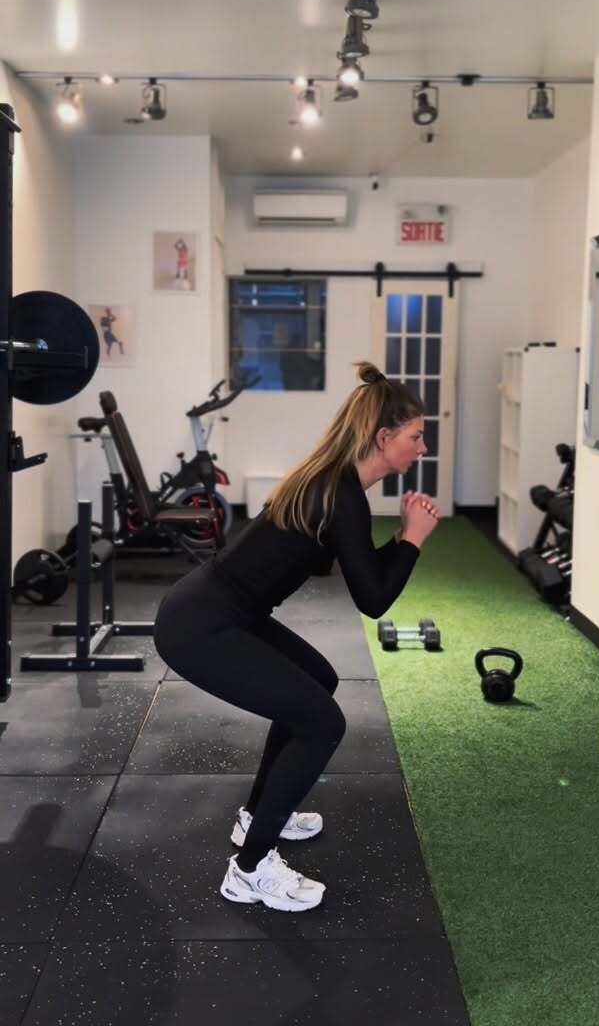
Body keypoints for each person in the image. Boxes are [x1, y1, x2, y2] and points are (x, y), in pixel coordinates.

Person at [153, 361, 440, 913]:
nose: (422, 448)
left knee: (318, 680)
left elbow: (364, 573)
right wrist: (412, 539)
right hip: (201, 626)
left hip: (219, 610)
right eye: (416, 436)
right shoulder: (342, 494)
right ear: (384, 437)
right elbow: (374, 600)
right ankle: (250, 870)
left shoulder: (338, 485)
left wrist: (404, 541)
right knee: (322, 722)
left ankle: (258, 817)